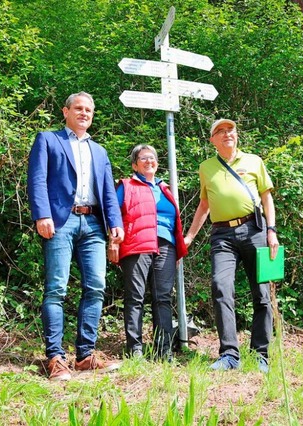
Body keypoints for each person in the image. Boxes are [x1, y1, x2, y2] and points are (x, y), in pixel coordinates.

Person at [27, 91, 125, 381]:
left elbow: (107, 190)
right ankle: (56, 358)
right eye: (79, 108)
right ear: (65, 111)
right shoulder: (48, 139)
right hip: (61, 220)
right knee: (57, 288)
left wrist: (114, 223)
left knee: (95, 287)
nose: (84, 113)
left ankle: (84, 356)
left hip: (93, 223)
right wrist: (41, 214)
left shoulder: (100, 151)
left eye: (89, 110)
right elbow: (37, 179)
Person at [184, 118, 279, 373]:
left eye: (230, 130)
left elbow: (266, 198)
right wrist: (190, 236)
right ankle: (229, 355)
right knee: (220, 287)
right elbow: (204, 205)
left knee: (261, 294)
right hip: (222, 235)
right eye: (220, 131)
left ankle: (261, 355)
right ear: (212, 140)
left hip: (255, 230)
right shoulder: (206, 167)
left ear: (237, 135)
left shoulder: (254, 161)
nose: (227, 134)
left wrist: (272, 231)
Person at [108, 144, 188, 362]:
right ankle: (135, 349)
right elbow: (113, 214)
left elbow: (175, 222)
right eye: (143, 158)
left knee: (163, 297)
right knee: (135, 297)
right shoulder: (126, 185)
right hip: (136, 244)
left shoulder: (165, 189)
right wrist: (113, 242)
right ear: (135, 165)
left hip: (166, 246)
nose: (149, 161)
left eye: (152, 157)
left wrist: (177, 251)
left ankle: (164, 350)